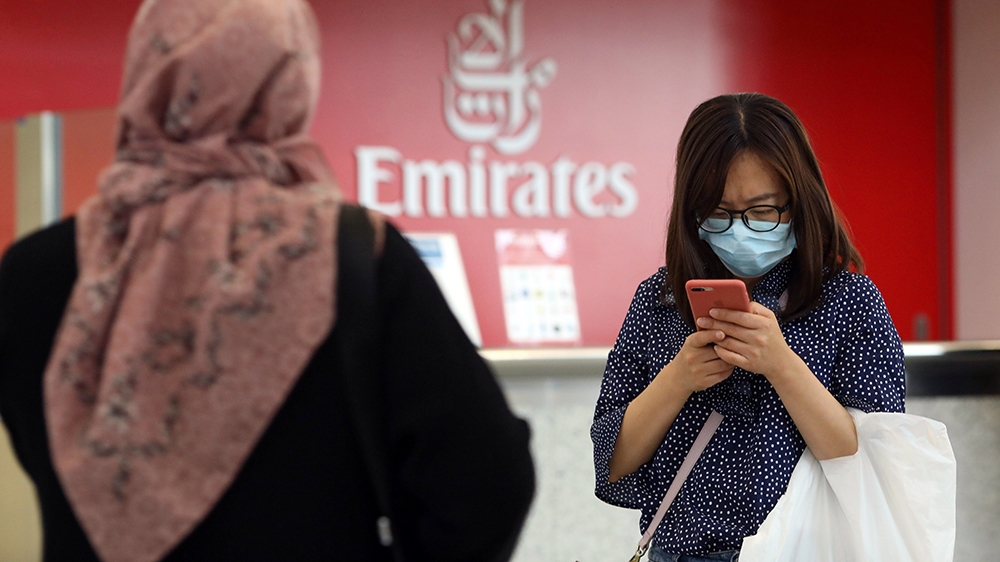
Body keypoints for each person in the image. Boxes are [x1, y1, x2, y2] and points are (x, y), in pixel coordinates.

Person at [0, 0, 534, 561]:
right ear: (289, 82)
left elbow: (37, 452)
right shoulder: (350, 256)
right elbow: (488, 481)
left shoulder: (34, 272)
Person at [591, 93, 905, 561]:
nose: (740, 230)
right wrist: (678, 378)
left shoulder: (849, 302)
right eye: (718, 211)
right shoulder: (659, 301)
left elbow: (871, 463)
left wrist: (781, 365)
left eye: (762, 211)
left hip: (803, 549)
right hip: (682, 551)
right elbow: (611, 462)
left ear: (798, 203)